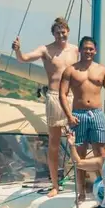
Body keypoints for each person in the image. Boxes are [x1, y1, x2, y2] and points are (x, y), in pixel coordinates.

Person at [59, 36, 105, 202]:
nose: (88, 51)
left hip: (97, 114)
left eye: (91, 49)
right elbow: (62, 94)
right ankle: (81, 192)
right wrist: (69, 115)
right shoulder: (70, 70)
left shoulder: (102, 70)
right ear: (80, 50)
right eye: (85, 48)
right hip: (78, 115)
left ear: (95, 51)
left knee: (101, 154)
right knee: (80, 155)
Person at [12, 17, 79, 197]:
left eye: (63, 32)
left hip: (72, 97)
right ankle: (55, 185)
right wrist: (18, 50)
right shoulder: (46, 49)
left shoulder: (76, 50)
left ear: (68, 32)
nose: (61, 35)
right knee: (54, 143)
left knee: (77, 141)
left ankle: (81, 181)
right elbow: (23, 59)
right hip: (55, 97)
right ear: (53, 34)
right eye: (57, 32)